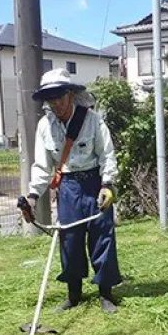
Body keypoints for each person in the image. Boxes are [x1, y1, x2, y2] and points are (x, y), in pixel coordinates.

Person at [19, 68, 122, 314]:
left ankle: (105, 293)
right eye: (49, 98)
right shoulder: (45, 125)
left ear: (71, 95)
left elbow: (107, 155)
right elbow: (43, 166)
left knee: (102, 236)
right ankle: (73, 295)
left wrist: (107, 185)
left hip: (94, 182)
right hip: (68, 187)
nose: (55, 103)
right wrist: (33, 196)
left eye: (59, 96)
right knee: (70, 240)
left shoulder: (93, 120)